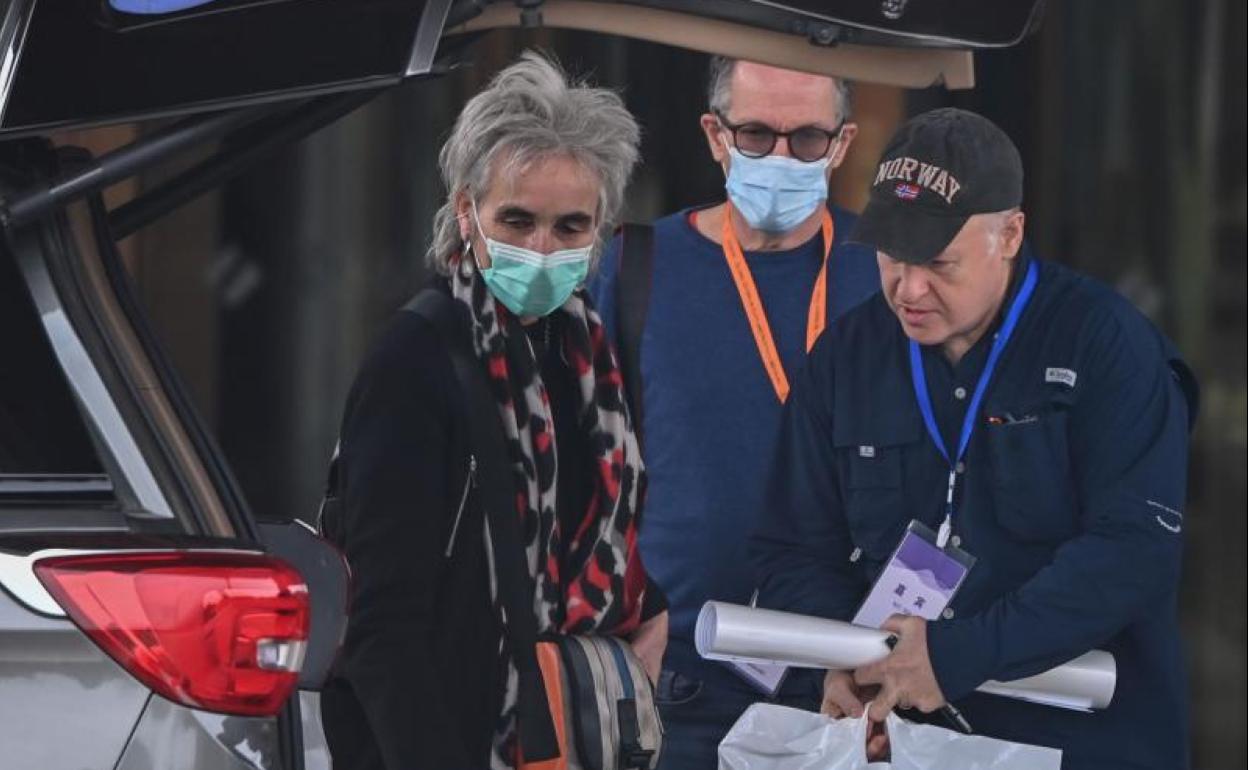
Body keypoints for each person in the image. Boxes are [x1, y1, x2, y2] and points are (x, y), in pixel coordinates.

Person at [751, 107, 1196, 769]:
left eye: (938, 262)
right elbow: (793, 546)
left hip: (1085, 742)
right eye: (892, 257)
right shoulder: (848, 357)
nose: (909, 288)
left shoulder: (1105, 345)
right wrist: (840, 660)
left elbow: (1132, 550)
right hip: (904, 744)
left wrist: (958, 654)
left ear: (1009, 234)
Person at [320, 52, 668, 770]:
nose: (542, 249)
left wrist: (647, 609)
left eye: (571, 227)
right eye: (518, 220)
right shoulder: (418, 360)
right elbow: (382, 626)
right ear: (466, 214)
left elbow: (582, 531)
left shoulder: (586, 355)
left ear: (600, 229)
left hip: (569, 736)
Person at [591, 57, 880, 769]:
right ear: (715, 137)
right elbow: (586, 465)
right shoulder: (636, 266)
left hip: (851, 673)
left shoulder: (887, 273)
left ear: (841, 145)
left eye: (806, 140)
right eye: (756, 135)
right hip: (678, 675)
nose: (781, 157)